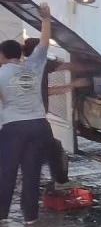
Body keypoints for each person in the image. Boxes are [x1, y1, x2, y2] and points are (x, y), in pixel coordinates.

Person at [0, 2, 55, 224]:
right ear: (20, 54)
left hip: (14, 127)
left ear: (2, 55)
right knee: (32, 172)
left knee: (7, 171)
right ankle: (30, 217)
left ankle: (2, 214)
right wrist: (46, 19)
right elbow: (44, 44)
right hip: (39, 125)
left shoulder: (1, 74)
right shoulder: (33, 66)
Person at [21, 36, 71, 191]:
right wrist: (94, 66)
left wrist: (69, 87)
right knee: (53, 148)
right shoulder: (40, 63)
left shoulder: (24, 65)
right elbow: (67, 66)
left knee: (47, 148)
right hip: (34, 118)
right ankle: (60, 182)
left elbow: (45, 91)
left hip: (23, 118)